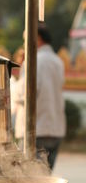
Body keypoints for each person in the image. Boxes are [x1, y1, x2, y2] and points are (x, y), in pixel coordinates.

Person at [12, 23, 66, 170]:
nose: (24, 44)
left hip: (35, 131)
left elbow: (23, 94)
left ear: (37, 38)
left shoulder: (33, 60)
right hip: (55, 129)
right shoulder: (58, 61)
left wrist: (19, 74)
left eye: (25, 39)